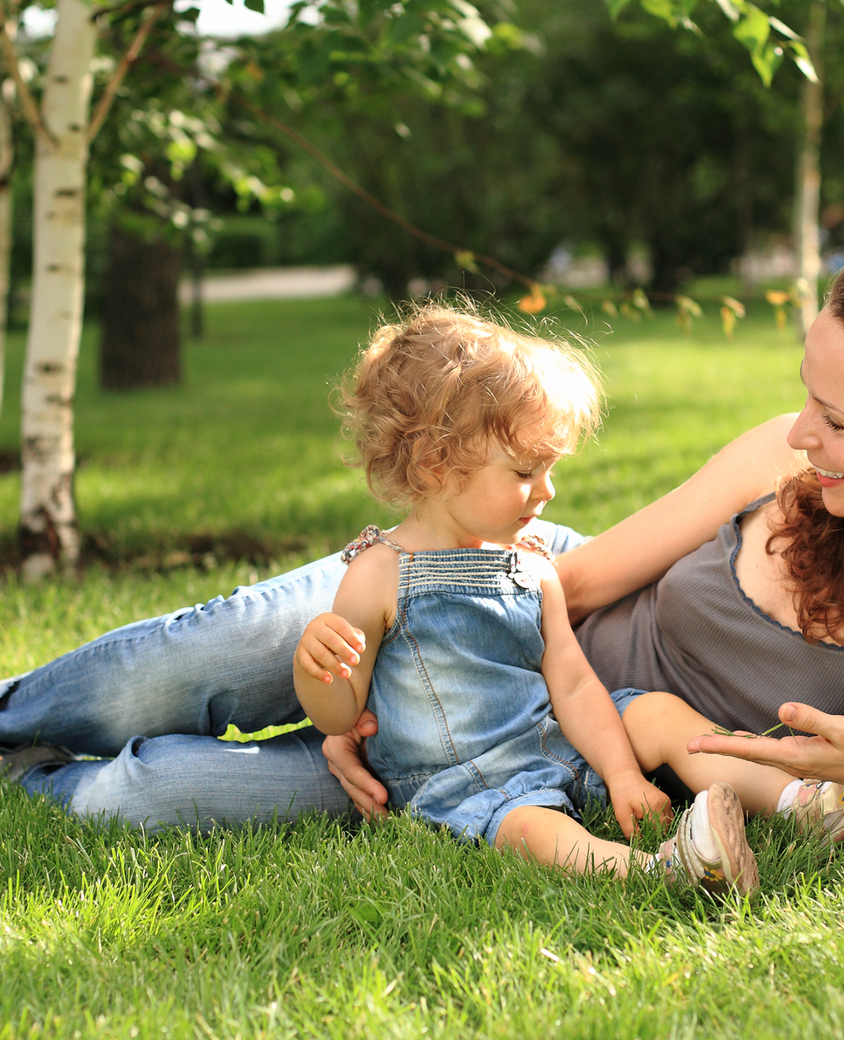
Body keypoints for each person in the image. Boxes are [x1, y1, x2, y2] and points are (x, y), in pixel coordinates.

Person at [0, 242, 844, 840]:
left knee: (155, 796)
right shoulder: (783, 461)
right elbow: (583, 573)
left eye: (836, 419)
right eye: (804, 393)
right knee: (178, 670)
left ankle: (35, 769)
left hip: (549, 763)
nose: (799, 432)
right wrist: (371, 648)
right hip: (492, 608)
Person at [290, 306, 765, 895]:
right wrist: (317, 669)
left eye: (550, 469)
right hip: (464, 782)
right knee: (534, 829)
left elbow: (571, 683)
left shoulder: (533, 565)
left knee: (655, 713)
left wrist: (621, 774)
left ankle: (798, 799)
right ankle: (660, 872)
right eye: (525, 471)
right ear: (437, 465)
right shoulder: (379, 574)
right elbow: (340, 717)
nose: (548, 490)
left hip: (548, 746)